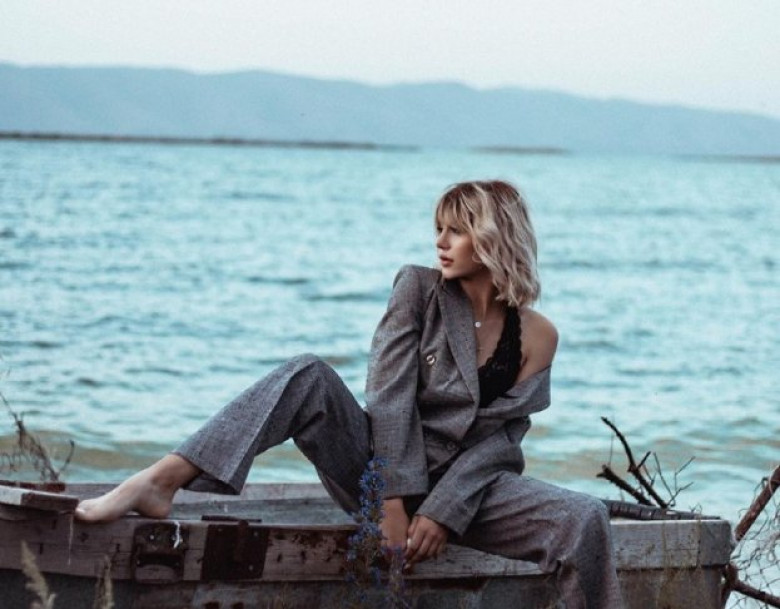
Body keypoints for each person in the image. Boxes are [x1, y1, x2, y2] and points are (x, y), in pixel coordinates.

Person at [76, 180, 624, 608]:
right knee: (309, 375)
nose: (440, 242)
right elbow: (388, 396)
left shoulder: (538, 334)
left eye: (456, 230)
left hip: (470, 490)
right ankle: (160, 481)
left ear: (494, 237)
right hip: (376, 467)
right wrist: (390, 501)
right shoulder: (418, 289)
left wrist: (445, 511)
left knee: (583, 517)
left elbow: (502, 441)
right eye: (439, 228)